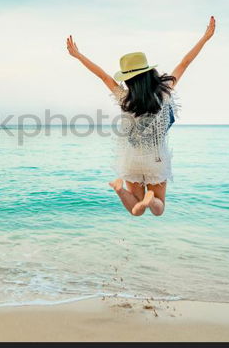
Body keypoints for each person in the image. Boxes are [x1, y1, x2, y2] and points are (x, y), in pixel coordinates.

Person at [65, 16, 216, 216]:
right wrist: (205, 38)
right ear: (148, 72)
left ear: (127, 79)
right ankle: (151, 199)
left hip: (131, 159)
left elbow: (102, 75)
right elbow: (184, 63)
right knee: (158, 209)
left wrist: (78, 55)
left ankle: (119, 189)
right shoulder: (164, 91)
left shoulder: (124, 97)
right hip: (156, 159)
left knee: (136, 211)